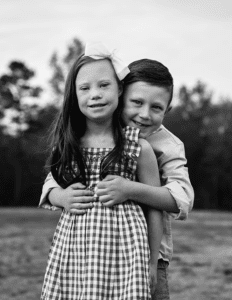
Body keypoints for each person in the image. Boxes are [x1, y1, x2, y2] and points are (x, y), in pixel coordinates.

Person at [40, 58, 195, 299]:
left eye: (156, 108)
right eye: (136, 102)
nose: (144, 114)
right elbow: (54, 178)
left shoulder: (166, 146)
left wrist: (130, 189)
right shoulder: (84, 137)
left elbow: (181, 199)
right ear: (121, 96)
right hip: (87, 254)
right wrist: (60, 195)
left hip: (147, 254)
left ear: (167, 110)